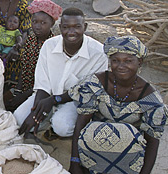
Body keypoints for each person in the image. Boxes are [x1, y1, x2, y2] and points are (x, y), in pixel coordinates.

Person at [67, 36, 168, 174]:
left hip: (130, 147)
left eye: (128, 61)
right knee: (89, 132)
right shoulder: (97, 82)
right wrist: (75, 163)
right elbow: (81, 124)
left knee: (130, 138)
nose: (121, 65)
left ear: (139, 62)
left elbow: (152, 145)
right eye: (115, 60)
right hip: (96, 138)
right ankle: (87, 171)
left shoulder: (149, 97)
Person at [15, 8, 108, 138]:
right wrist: (35, 111)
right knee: (19, 118)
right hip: (48, 96)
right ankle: (46, 121)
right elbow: (43, 83)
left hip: (75, 100)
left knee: (62, 127)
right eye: (66, 27)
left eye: (77, 27)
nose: (71, 32)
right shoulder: (49, 45)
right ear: (60, 27)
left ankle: (54, 127)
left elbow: (86, 91)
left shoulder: (98, 53)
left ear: (85, 27)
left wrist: (53, 101)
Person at [7, 0, 62, 111]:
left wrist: (23, 96)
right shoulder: (31, 39)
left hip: (42, 93)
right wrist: (18, 91)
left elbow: (49, 82)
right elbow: (24, 66)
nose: (37, 26)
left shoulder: (54, 45)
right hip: (25, 87)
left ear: (52, 23)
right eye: (34, 21)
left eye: (43, 23)